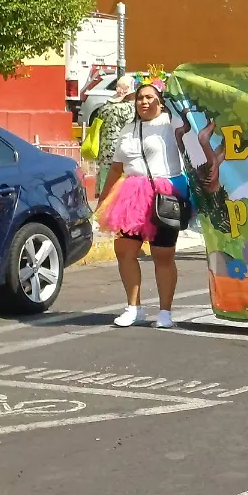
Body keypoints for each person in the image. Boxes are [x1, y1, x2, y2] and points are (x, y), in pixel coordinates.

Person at [98, 79, 190, 329]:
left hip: (164, 195)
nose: (144, 102)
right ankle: (133, 307)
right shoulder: (128, 129)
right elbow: (116, 168)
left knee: (163, 254)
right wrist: (103, 199)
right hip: (130, 196)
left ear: (161, 101)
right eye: (140, 98)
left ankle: (165, 312)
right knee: (124, 251)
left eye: (150, 97)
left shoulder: (171, 125)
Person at [93, 79, 137, 196]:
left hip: (104, 149)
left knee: (104, 179)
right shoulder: (128, 109)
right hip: (119, 150)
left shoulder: (105, 107)